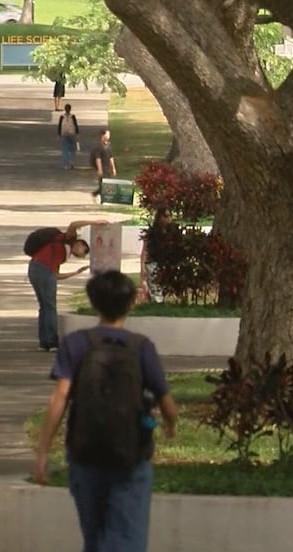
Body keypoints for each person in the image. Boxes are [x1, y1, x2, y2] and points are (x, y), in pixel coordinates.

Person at [33, 270, 179, 552]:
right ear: (131, 303)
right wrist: (170, 425)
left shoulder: (76, 344)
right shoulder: (141, 347)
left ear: (93, 302)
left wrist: (42, 452)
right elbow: (167, 402)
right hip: (131, 454)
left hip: (84, 451)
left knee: (94, 536)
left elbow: (59, 398)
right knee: (127, 534)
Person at [27, 220, 102, 352]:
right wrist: (95, 222)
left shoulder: (62, 254)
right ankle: (52, 341)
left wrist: (76, 272)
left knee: (45, 306)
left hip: (35, 269)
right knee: (49, 306)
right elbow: (74, 224)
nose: (81, 253)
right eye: (83, 250)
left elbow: (56, 275)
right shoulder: (68, 239)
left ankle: (44, 342)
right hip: (42, 270)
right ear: (79, 243)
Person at [139, 208, 173, 304]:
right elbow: (145, 251)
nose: (169, 219)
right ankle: (156, 304)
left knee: (161, 288)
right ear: (159, 218)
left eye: (170, 216)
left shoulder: (171, 234)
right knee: (155, 289)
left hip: (164, 263)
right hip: (152, 264)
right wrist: (142, 267)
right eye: (166, 216)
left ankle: (155, 303)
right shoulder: (151, 234)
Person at [89, 130, 117, 202]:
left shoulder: (109, 145)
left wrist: (113, 168)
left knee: (107, 184)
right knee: (103, 185)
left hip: (108, 168)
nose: (108, 136)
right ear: (103, 135)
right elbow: (98, 158)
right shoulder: (99, 146)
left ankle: (96, 195)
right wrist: (99, 169)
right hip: (102, 167)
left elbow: (111, 157)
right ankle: (101, 198)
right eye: (107, 134)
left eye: (109, 134)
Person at [57, 104, 79, 170]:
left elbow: (59, 126)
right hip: (71, 134)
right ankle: (71, 162)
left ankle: (66, 164)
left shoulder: (62, 117)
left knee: (65, 150)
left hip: (64, 134)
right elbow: (76, 125)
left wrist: (59, 134)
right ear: (70, 109)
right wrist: (77, 134)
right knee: (72, 149)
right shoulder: (72, 117)